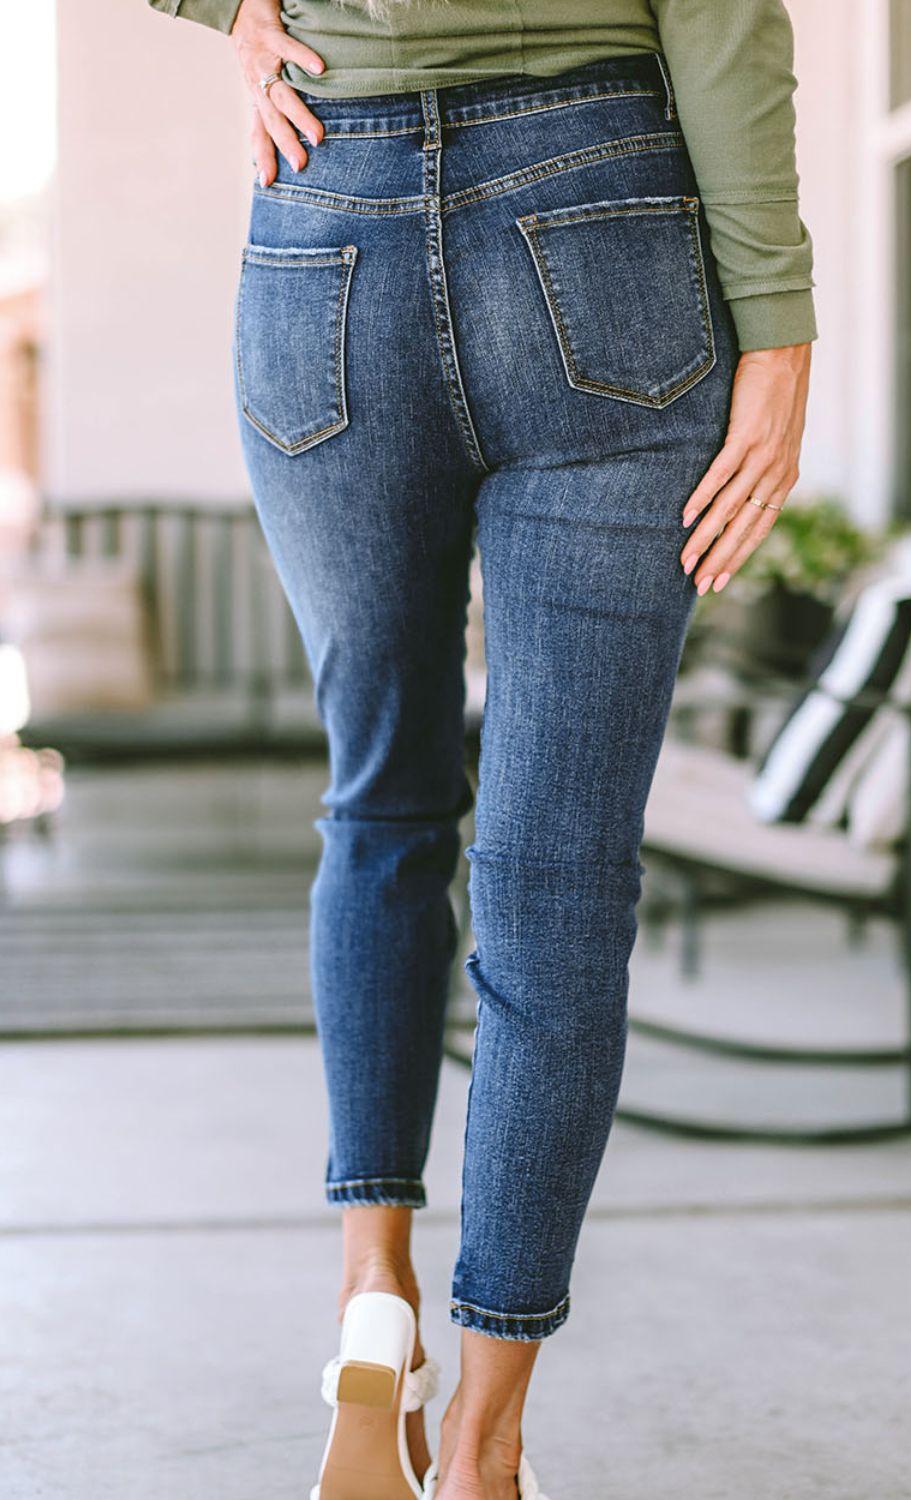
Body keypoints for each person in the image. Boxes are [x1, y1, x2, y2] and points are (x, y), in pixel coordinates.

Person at [148, 3, 815, 1496]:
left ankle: (369, 1291)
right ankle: (484, 1447)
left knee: (379, 804)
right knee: (559, 882)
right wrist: (775, 324)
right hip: (603, 222)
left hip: (327, 212)